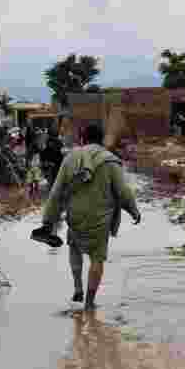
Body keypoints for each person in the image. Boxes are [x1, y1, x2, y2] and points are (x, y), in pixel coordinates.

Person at [31, 123, 141, 310]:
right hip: (100, 218)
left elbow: (56, 192)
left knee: (74, 248)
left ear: (83, 139)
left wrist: (48, 221)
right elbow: (123, 192)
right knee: (97, 258)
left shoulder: (70, 158)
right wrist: (133, 210)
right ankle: (89, 303)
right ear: (101, 140)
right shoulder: (111, 161)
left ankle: (77, 288)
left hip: (75, 216)